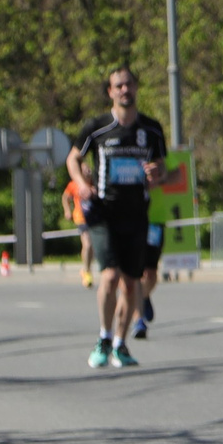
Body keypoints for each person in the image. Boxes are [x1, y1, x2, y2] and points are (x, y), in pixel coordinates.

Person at [65, 67, 167, 370]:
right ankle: (104, 337)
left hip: (136, 213)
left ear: (137, 88)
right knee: (109, 275)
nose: (125, 90)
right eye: (118, 86)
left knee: (132, 282)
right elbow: (73, 158)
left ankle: (121, 344)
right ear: (110, 92)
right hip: (103, 211)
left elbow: (161, 167)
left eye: (129, 85)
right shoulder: (96, 127)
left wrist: (155, 172)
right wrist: (82, 185)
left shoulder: (151, 129)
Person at [65, 173, 94, 287]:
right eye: (85, 171)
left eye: (89, 170)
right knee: (87, 244)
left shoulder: (95, 183)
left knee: (90, 247)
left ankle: (86, 268)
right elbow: (65, 197)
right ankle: (87, 271)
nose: (87, 173)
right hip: (81, 217)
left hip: (94, 217)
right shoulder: (74, 184)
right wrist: (67, 210)